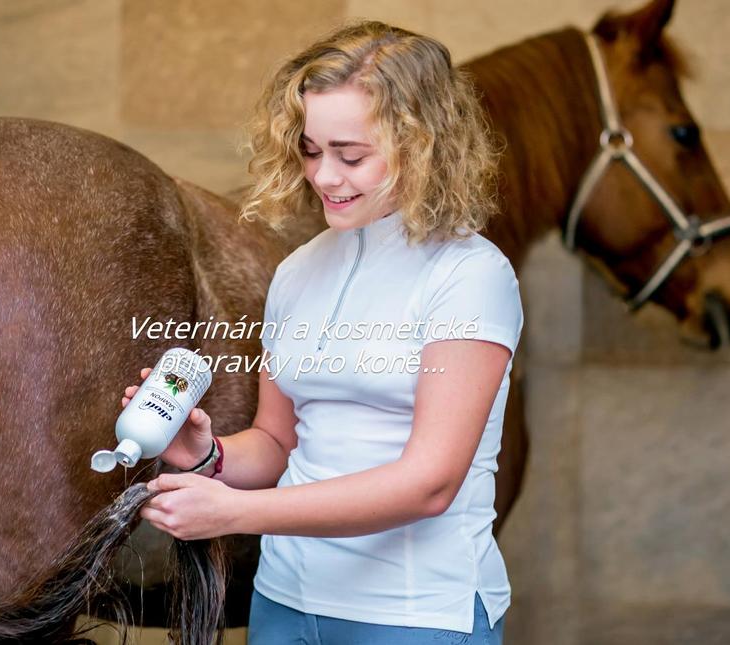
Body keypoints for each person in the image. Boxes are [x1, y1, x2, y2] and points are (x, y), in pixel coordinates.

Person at [127, 20, 522, 645]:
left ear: (424, 145)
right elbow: (280, 445)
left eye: (352, 154)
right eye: (311, 150)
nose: (324, 176)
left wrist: (235, 514)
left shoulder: (471, 276)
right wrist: (209, 456)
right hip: (284, 605)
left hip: (416, 615)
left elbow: (430, 483)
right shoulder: (298, 271)